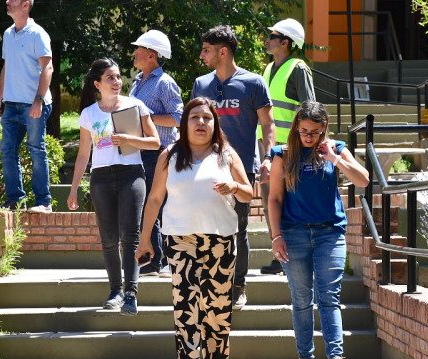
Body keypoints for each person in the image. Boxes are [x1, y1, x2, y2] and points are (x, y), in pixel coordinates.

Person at [136, 97, 253, 359]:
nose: (201, 123)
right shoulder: (169, 155)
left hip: (222, 239)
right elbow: (154, 199)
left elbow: (248, 193)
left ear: (215, 123)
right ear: (184, 122)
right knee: (186, 305)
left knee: (217, 307)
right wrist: (144, 241)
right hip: (180, 238)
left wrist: (235, 186)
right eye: (194, 117)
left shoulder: (226, 154)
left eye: (207, 118)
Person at [268, 101, 369, 359]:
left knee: (329, 297)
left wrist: (334, 159)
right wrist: (276, 236)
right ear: (296, 128)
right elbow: (274, 198)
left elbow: (363, 180)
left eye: (315, 131)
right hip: (293, 233)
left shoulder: (335, 148)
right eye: (303, 131)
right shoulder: (283, 154)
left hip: (330, 233)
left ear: (324, 128)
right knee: (301, 299)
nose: (309, 137)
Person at [67, 58, 161, 316]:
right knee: (108, 238)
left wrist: (129, 139)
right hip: (101, 177)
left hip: (132, 174)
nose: (117, 81)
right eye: (110, 77)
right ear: (98, 84)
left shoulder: (135, 105)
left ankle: (131, 293)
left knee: (131, 235)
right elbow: (84, 154)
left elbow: (154, 142)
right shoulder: (89, 114)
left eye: (119, 77)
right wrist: (74, 188)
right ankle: (115, 290)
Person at [192, 25, 275, 310]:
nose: (202, 55)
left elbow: (268, 124)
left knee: (238, 228)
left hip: (240, 169)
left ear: (223, 51)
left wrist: (268, 157)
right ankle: (209, 281)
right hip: (204, 167)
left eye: (207, 50)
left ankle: (238, 287)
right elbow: (191, 124)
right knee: (203, 226)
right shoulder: (201, 84)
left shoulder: (252, 83)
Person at [259, 18, 316, 275]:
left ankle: (293, 259)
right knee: (270, 199)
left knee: (289, 202)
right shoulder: (268, 69)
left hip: (289, 148)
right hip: (267, 147)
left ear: (285, 42)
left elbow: (310, 109)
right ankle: (279, 258)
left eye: (273, 36)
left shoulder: (298, 68)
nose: (267, 39)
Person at [129, 30, 184, 278]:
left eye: (138, 49)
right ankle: (152, 261)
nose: (134, 53)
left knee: (157, 206)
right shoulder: (136, 82)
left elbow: (179, 118)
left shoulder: (165, 83)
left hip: (159, 153)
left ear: (152, 55)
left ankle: (157, 262)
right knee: (145, 207)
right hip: (140, 153)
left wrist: (146, 119)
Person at [0, 0, 54, 212]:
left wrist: (38, 99)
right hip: (11, 104)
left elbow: (48, 67)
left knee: (36, 149)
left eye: (13, 0)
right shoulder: (8, 34)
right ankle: (16, 200)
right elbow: (6, 67)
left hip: (34, 103)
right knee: (7, 150)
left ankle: (44, 202)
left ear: (26, 4)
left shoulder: (38, 33)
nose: (7, 2)